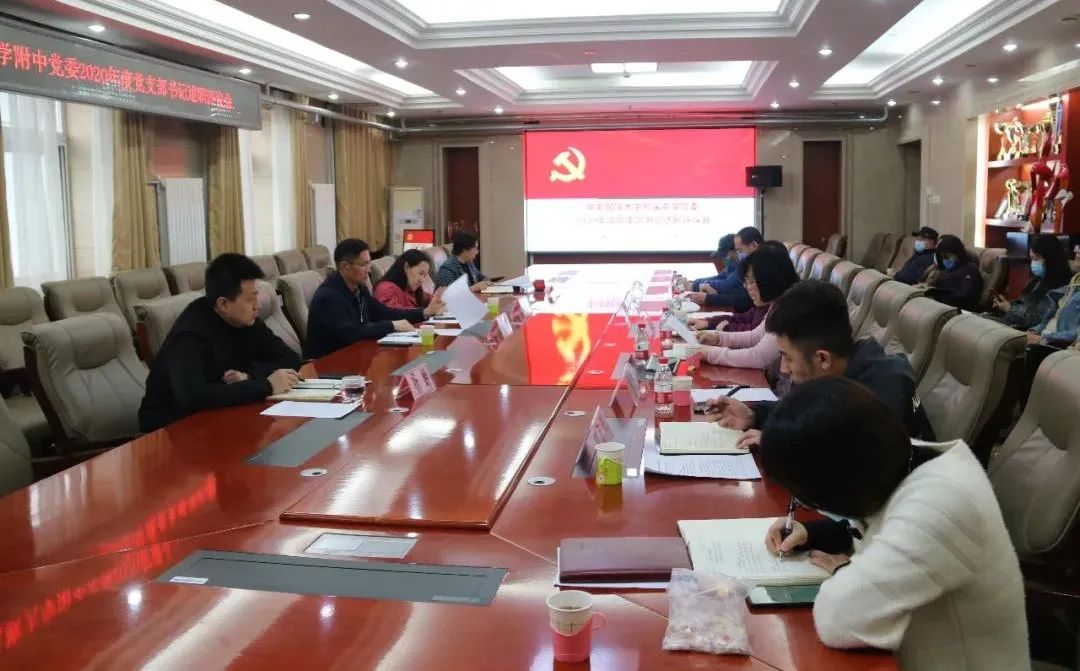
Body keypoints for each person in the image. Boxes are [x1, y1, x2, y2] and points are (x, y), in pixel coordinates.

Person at [758, 378, 1029, 671]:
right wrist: (814, 532)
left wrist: (846, 573)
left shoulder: (939, 507)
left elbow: (837, 620)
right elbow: (880, 519)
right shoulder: (894, 456)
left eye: (808, 499)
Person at [707, 280, 934, 449]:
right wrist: (754, 415)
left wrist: (779, 444)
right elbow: (808, 417)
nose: (783, 368)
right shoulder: (846, 372)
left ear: (822, 359)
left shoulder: (877, 401)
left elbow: (840, 461)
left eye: (788, 357)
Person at [138, 253, 302, 432]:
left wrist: (250, 377)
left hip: (221, 416)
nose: (258, 305)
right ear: (223, 304)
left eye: (256, 296)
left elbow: (290, 358)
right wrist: (266, 386)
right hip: (171, 428)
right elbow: (194, 397)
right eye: (250, 299)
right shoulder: (189, 334)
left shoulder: (247, 320)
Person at [306, 239, 446, 358]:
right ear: (345, 266)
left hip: (357, 355)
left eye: (369, 263)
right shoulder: (329, 297)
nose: (369, 269)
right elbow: (351, 333)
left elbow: (383, 312)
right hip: (330, 364)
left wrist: (424, 312)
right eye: (364, 264)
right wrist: (391, 325)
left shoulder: (359, 288)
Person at [696, 245, 798, 369]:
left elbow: (759, 357)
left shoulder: (790, 309)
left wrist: (708, 354)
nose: (747, 286)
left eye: (751, 281)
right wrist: (718, 338)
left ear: (769, 279)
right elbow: (754, 337)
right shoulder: (778, 303)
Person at [689, 241, 787, 334]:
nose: (746, 286)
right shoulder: (765, 303)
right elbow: (745, 318)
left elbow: (753, 336)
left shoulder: (779, 308)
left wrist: (725, 328)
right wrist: (709, 322)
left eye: (739, 250)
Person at [984, 234, 1072, 331]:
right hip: (1013, 323)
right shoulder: (1037, 280)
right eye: (1032, 259)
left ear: (1051, 260)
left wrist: (1009, 309)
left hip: (1025, 331)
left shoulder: (1060, 289)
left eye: (1036, 259)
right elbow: (1024, 305)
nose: (1033, 263)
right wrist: (1005, 305)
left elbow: (1038, 320)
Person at [684, 226, 762, 311]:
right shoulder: (743, 264)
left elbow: (732, 288)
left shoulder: (759, 266)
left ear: (754, 245)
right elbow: (720, 277)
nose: (745, 285)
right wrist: (698, 284)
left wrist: (708, 296)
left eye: (740, 251)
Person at [925, 234, 983, 311]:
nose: (944, 260)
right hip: (939, 307)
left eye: (946, 257)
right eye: (942, 258)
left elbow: (965, 297)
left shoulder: (970, 269)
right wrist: (930, 284)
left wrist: (936, 296)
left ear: (957, 253)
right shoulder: (945, 271)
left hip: (959, 311)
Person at [374, 249, 439, 310]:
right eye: (420, 273)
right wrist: (424, 312)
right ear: (406, 266)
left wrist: (438, 302)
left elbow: (431, 299)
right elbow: (394, 314)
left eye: (424, 276)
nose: (422, 280)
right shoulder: (385, 289)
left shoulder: (412, 290)